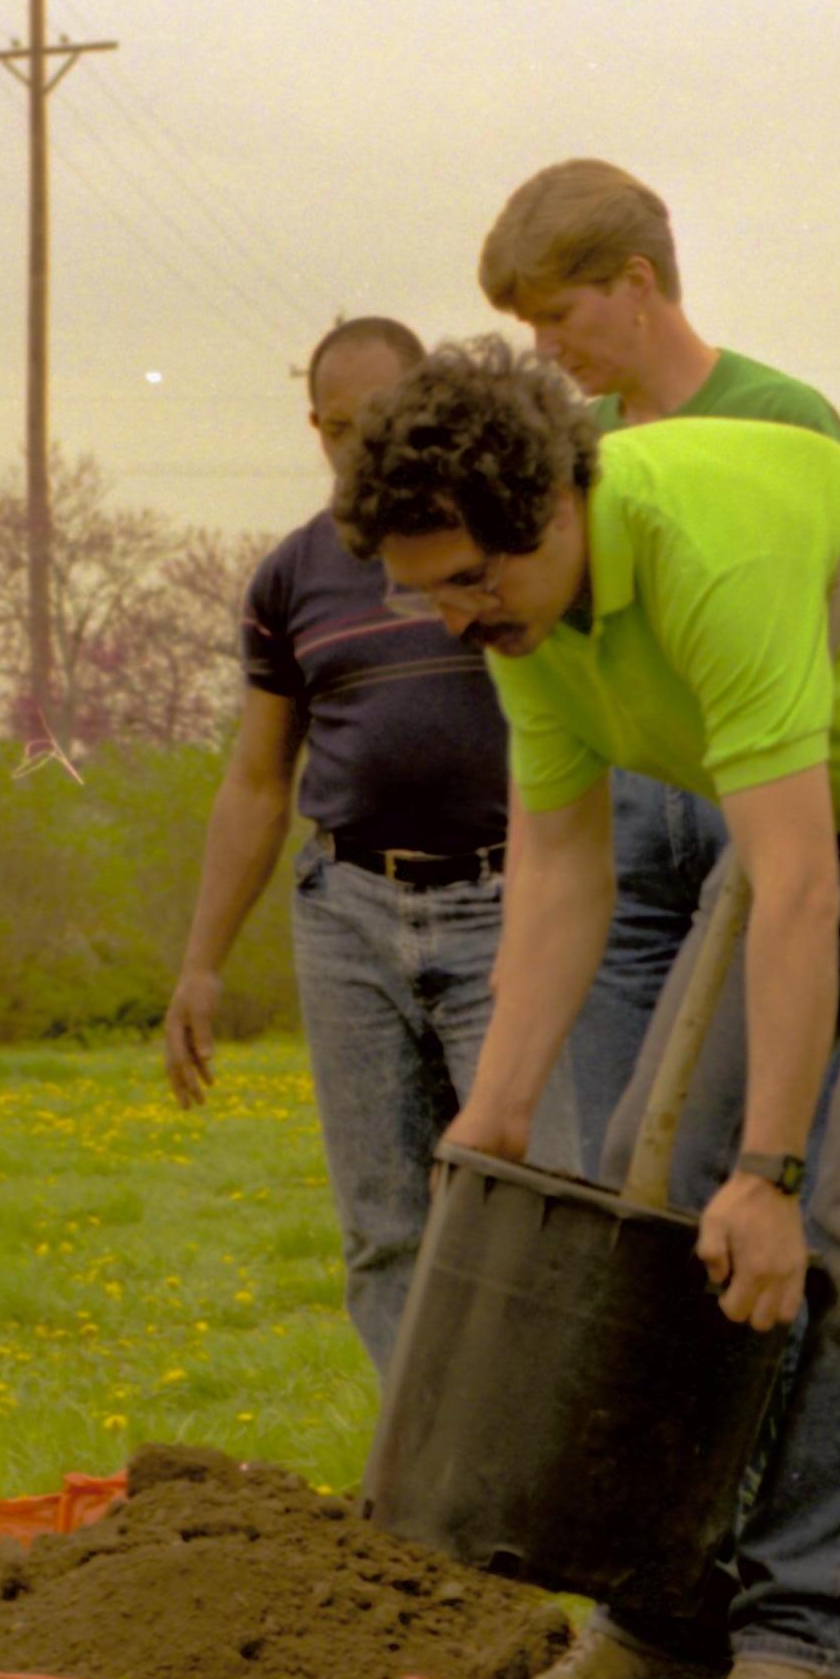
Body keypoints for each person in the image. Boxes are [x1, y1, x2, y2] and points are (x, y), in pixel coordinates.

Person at [338, 340, 840, 1679]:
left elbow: (794, 891)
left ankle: (806, 1636)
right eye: (424, 590)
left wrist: (772, 1171)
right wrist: (490, 1119)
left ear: (552, 511)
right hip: (816, 805)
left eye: (471, 582)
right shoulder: (528, 629)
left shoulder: (703, 558)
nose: (452, 618)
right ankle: (663, 1622)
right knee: (651, 1179)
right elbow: (561, 869)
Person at [476, 162, 840, 1167]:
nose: (546, 352)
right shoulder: (563, 449)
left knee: (745, 1146)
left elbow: (836, 634)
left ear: (637, 284)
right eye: (530, 330)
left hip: (757, 805)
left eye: (560, 316)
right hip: (625, 827)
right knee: (620, 1154)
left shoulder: (783, 414)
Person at [159, 318, 513, 1375]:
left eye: (386, 424)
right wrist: (202, 965)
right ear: (315, 430)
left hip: (508, 904)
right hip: (351, 913)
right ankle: (418, 1485)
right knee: (384, 1229)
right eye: (340, 430)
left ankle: (525, 1481)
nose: (363, 450)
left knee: (526, 1204)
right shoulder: (289, 580)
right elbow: (258, 781)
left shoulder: (500, 544)